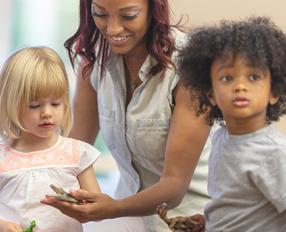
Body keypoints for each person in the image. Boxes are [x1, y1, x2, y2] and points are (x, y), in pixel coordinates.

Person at [41, 0, 215, 231]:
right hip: (127, 220)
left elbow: (173, 187)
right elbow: (75, 149)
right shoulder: (94, 55)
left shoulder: (189, 62)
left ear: (154, 10)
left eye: (129, 15)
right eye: (100, 13)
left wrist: (112, 209)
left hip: (189, 219)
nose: (112, 29)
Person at [178, 16, 286, 231]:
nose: (240, 86)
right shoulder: (221, 137)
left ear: (273, 92)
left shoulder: (273, 152)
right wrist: (210, 222)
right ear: (211, 94)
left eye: (253, 77)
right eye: (227, 78)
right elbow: (238, 205)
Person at [0, 46, 101, 232]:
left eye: (55, 103)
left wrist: (81, 204)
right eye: (35, 105)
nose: (47, 113)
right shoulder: (2, 156)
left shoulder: (78, 153)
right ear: (11, 105)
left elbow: (97, 209)